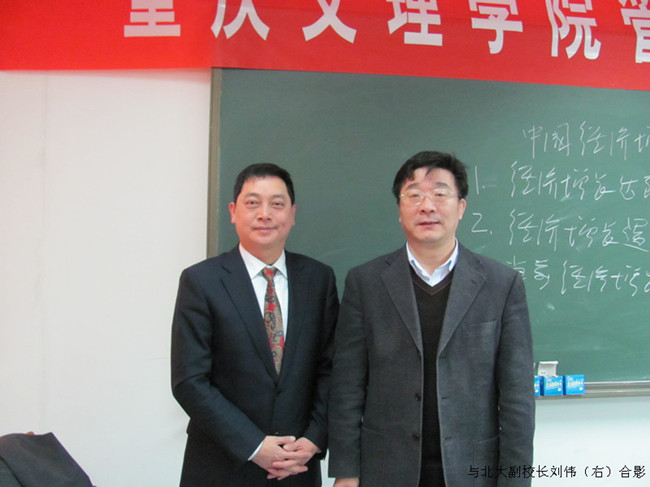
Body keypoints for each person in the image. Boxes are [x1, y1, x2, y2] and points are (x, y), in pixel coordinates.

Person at [328, 151, 535, 487]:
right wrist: (346, 473)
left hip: (473, 471)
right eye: (413, 195)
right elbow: (347, 386)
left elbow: (517, 398)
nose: (427, 206)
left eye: (440, 194)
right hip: (385, 470)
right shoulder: (365, 282)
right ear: (399, 210)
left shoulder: (502, 284)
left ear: (461, 207)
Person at [171, 163, 339, 487]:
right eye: (252, 203)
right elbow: (189, 380)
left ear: (292, 214)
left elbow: (331, 368)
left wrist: (315, 438)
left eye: (277, 204)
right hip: (220, 467)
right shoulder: (201, 281)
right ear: (233, 212)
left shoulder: (319, 280)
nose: (265, 214)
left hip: (296, 467)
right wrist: (254, 446)